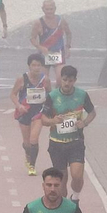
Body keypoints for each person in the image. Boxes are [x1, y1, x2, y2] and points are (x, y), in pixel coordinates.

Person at [39, 65, 97, 201]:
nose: (67, 83)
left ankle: (75, 197)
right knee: (62, 180)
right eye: (65, 80)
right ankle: (64, 205)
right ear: (60, 79)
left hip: (75, 142)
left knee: (77, 175)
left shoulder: (82, 95)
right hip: (57, 144)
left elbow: (92, 113)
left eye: (70, 81)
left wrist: (85, 123)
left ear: (74, 80)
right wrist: (53, 121)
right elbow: (43, 119)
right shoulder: (52, 96)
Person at [10, 53, 51, 176]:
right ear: (29, 66)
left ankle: (32, 166)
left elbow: (50, 94)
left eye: (39, 65)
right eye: (34, 65)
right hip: (25, 112)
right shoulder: (22, 79)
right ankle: (28, 154)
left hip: (38, 112)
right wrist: (19, 105)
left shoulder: (46, 79)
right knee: (27, 142)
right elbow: (12, 94)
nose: (36, 68)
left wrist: (49, 109)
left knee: (34, 139)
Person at [30, 0, 72, 84]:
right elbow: (32, 38)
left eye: (51, 9)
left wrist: (68, 47)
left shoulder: (61, 21)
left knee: (61, 78)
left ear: (55, 8)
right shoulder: (38, 22)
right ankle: (47, 95)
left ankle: (56, 94)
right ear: (43, 9)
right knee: (43, 81)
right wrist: (40, 47)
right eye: (47, 9)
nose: (49, 12)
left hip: (58, 53)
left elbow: (68, 33)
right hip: (44, 54)